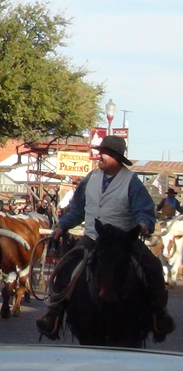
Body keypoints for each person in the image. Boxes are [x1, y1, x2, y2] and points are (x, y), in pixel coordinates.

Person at [35, 135, 175, 340]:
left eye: (105, 153)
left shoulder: (132, 182)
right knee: (66, 266)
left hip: (123, 238)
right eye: (100, 151)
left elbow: (144, 210)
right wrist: (62, 227)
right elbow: (77, 211)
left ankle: (158, 314)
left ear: (117, 157)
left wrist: (144, 224)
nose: (99, 155)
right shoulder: (90, 179)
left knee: (152, 265)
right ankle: (54, 313)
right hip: (93, 236)